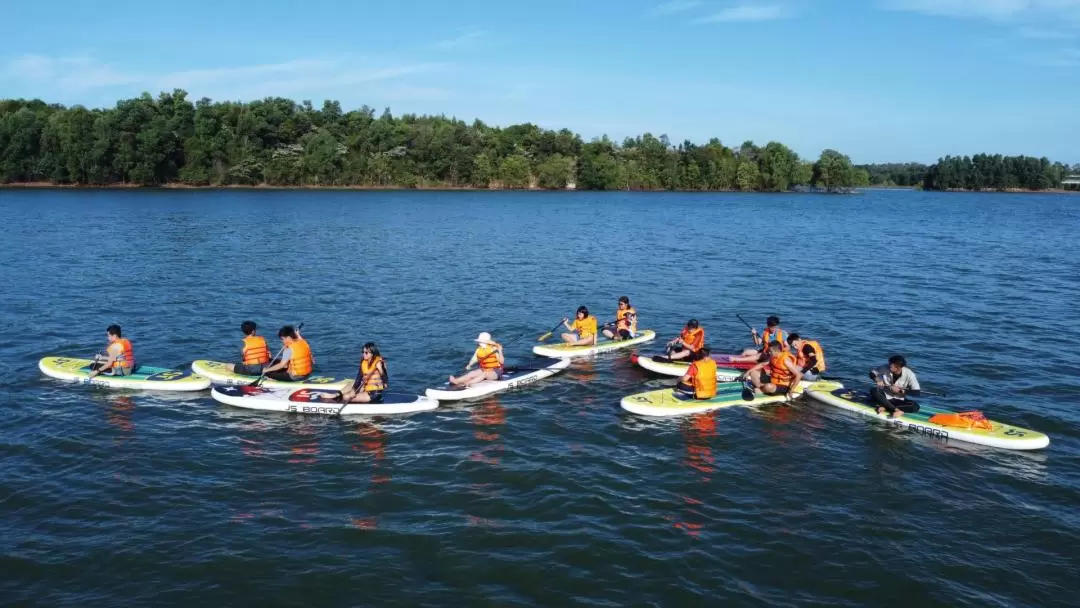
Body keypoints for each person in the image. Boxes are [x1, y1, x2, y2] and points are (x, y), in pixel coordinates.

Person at [323, 342, 388, 404]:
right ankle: (335, 395)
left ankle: (341, 398)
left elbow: (385, 377)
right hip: (366, 387)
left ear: (372, 353)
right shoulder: (363, 362)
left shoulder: (378, 363)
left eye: (366, 353)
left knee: (346, 397)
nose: (364, 354)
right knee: (351, 383)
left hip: (374, 393)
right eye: (363, 352)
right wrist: (353, 391)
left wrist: (383, 376)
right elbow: (358, 379)